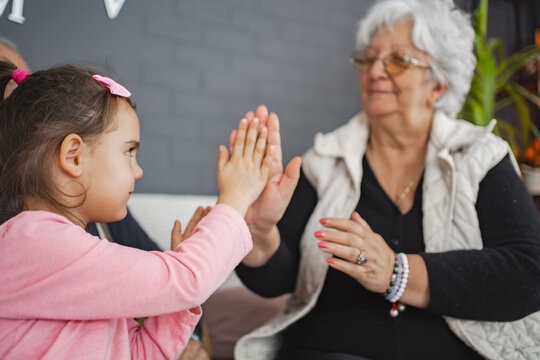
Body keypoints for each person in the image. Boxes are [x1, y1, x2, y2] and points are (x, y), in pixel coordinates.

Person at [233, 0, 540, 359]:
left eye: (397, 60)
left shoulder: (479, 156)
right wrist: (257, 235)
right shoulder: (324, 161)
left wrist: (397, 272)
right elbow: (278, 280)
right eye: (368, 58)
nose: (375, 70)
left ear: (438, 85)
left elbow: (528, 274)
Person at [0, 60, 273, 359]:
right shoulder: (37, 243)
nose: (138, 171)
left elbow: (140, 352)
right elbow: (187, 280)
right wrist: (236, 196)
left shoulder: (70, 253)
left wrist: (182, 283)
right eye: (129, 151)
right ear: (74, 157)